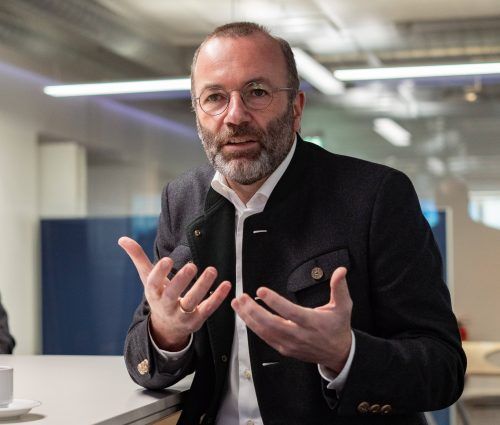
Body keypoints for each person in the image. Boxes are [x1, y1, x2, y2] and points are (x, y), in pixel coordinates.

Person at [120, 22, 466, 425]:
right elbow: (143, 365)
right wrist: (166, 334)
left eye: (257, 92)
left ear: (296, 108)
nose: (235, 116)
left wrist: (346, 354)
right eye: (215, 97)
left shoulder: (376, 196)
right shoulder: (182, 198)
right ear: (197, 112)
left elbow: (442, 368)